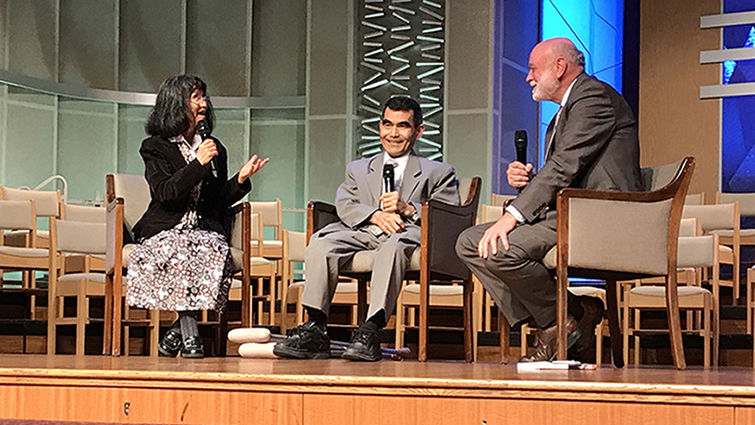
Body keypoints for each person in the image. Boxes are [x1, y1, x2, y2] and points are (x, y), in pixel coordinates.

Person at [456, 38, 643, 362]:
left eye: (533, 68)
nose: (528, 77)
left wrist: (513, 215)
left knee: (502, 248)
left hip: (598, 215)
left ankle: (559, 322)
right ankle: (568, 315)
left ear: (559, 67)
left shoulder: (593, 97)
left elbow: (565, 165)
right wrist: (526, 183)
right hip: (569, 211)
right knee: (469, 242)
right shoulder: (562, 114)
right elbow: (566, 171)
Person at [274, 95, 459, 361]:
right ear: (379, 127)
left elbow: (447, 214)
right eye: (387, 124)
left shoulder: (438, 172)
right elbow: (345, 203)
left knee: (393, 246)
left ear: (418, 131)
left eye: (403, 126)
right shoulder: (359, 168)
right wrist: (374, 215)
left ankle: (371, 330)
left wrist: (409, 209)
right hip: (364, 233)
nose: (393, 134)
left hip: (407, 235)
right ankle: (315, 326)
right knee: (321, 241)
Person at [126, 74, 269, 359]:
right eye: (196, 97)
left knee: (213, 250)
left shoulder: (215, 147)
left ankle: (176, 334)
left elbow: (217, 202)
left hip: (205, 229)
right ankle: (192, 338)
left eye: (203, 97)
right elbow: (165, 193)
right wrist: (197, 164)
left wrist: (240, 180)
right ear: (176, 103)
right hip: (165, 229)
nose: (203, 103)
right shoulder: (155, 146)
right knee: (182, 251)